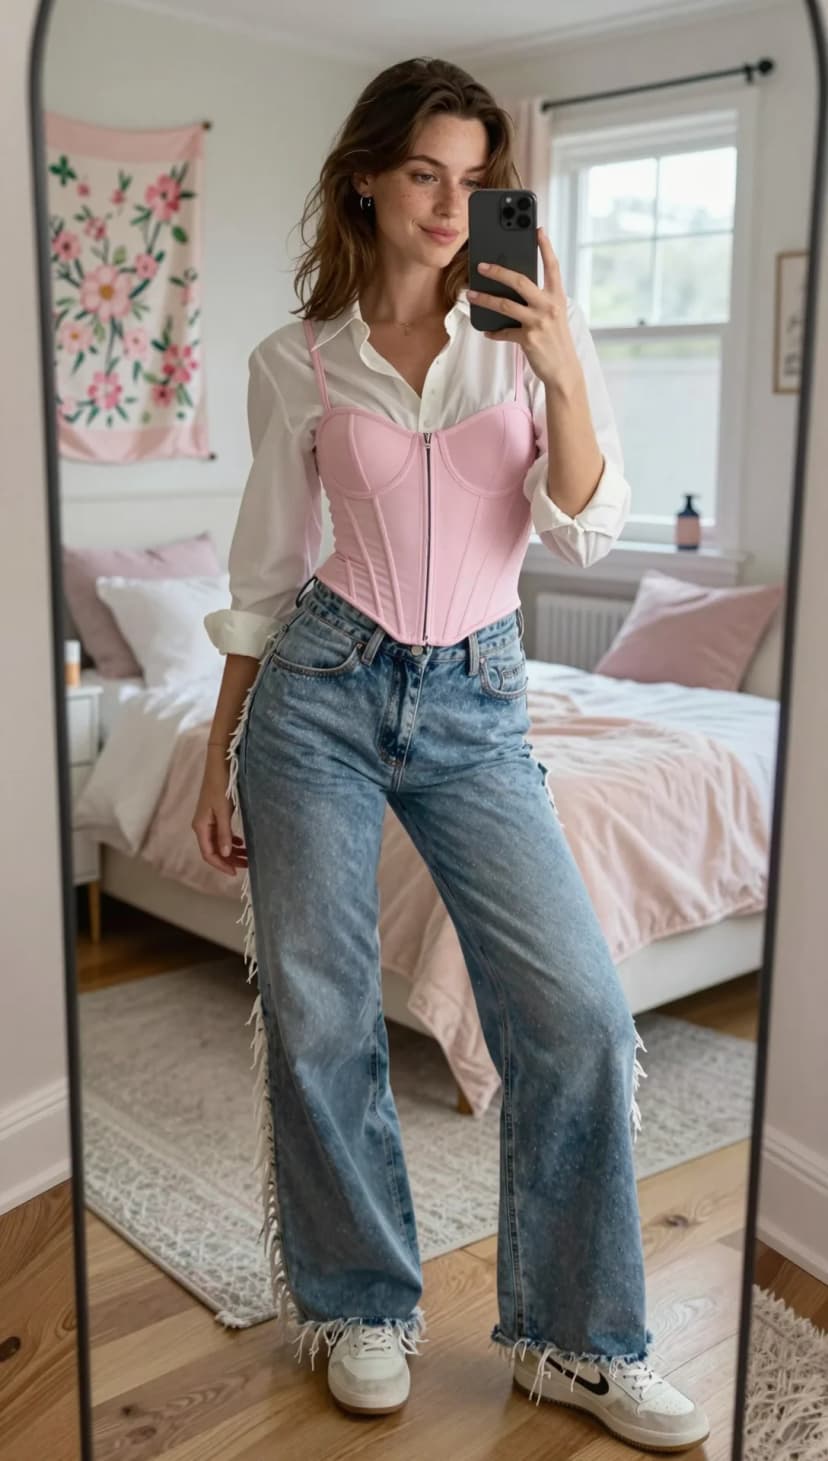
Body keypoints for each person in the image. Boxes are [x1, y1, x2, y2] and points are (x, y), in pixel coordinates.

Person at [193, 55, 710, 1454]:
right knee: (319, 1015)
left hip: (481, 703)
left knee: (580, 1016)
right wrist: (217, 738)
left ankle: (575, 1339)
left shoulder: (534, 331)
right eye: (427, 171)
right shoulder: (292, 362)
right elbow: (262, 571)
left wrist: (558, 367)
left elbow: (588, 527)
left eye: (477, 179)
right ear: (367, 173)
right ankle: (361, 1299)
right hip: (318, 693)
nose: (450, 201)